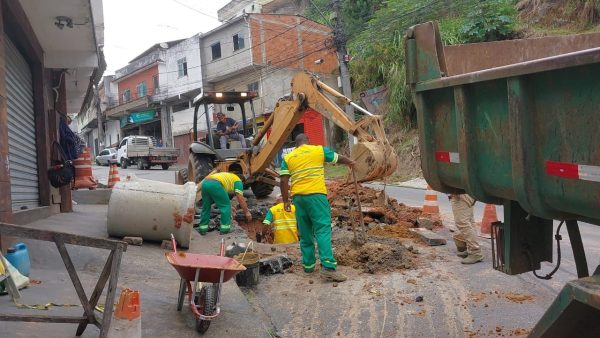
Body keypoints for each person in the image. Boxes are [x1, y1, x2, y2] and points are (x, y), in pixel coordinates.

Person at [280, 134, 355, 282]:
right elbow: (337, 157)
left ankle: (308, 266)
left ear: (296, 145)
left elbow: (283, 180)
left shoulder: (289, 157)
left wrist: (285, 201)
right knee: (322, 229)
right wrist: (351, 162)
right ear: (309, 142)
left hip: (298, 199)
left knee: (305, 232)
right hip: (316, 196)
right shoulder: (318, 150)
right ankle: (328, 267)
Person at [449, 194, 483, 264]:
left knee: (462, 223)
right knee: (469, 222)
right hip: (466, 193)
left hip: (460, 194)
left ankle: (475, 252)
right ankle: (471, 249)